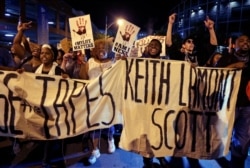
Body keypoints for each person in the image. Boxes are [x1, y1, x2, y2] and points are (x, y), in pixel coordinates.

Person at [215, 34, 250, 168]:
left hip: (247, 106)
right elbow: (215, 74)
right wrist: (235, 66)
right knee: (221, 135)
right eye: (241, 41)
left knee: (242, 139)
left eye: (248, 41)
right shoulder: (227, 58)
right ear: (234, 45)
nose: (245, 42)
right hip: (228, 105)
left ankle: (237, 163)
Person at [139, 39, 170, 168]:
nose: (153, 47)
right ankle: (147, 161)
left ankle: (161, 156)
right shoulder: (140, 62)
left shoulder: (167, 62)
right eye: (151, 45)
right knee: (146, 133)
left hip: (160, 103)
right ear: (147, 48)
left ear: (160, 49)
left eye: (156, 45)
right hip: (145, 103)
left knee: (159, 132)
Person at [87, 38, 116, 165]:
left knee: (109, 122)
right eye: (98, 48)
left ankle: (110, 139)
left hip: (109, 98)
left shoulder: (114, 62)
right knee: (93, 124)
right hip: (93, 98)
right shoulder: (89, 61)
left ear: (109, 49)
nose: (101, 50)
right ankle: (95, 150)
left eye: (104, 48)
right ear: (94, 50)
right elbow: (82, 77)